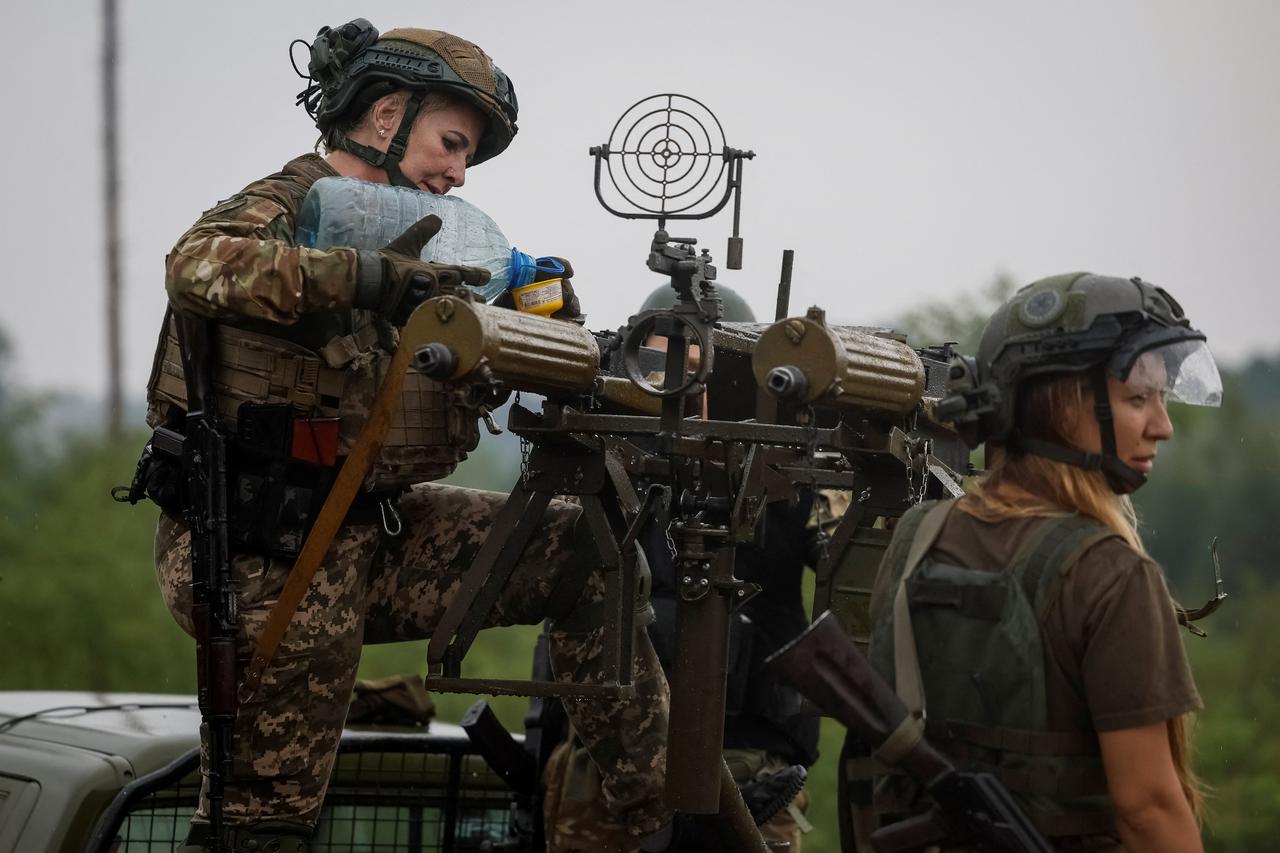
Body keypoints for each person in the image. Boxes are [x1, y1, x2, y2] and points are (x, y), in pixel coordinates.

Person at [142, 20, 669, 851]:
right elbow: (196, 264)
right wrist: (366, 276)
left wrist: (546, 327)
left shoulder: (437, 235)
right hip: (264, 548)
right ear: (386, 116)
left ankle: (652, 811)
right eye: (451, 144)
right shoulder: (292, 200)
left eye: (467, 158)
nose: (458, 173)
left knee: (589, 554)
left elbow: (477, 358)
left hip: (374, 526)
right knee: (263, 823)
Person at [865, 272, 1222, 851]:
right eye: (1138, 399)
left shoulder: (917, 536)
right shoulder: (1112, 574)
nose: (1163, 426)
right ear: (1059, 408)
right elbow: (1148, 810)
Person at [540, 286, 819, 852]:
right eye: (661, 368)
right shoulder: (602, 458)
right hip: (604, 770)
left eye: (701, 370)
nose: (683, 390)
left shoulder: (794, 470)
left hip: (747, 770)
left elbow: (860, 567)